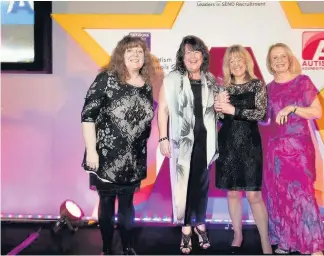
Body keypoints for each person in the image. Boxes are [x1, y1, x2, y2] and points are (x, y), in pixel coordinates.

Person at [81, 35, 155, 255]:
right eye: (130, 51)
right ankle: (106, 248)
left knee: (127, 206)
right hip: (105, 156)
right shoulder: (106, 79)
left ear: (145, 58)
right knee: (106, 202)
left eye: (139, 52)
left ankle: (128, 246)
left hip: (133, 159)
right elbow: (87, 117)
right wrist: (92, 151)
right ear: (120, 55)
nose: (135, 55)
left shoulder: (147, 86)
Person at [157, 35, 223, 254]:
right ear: (181, 56)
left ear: (203, 55)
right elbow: (163, 110)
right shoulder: (172, 79)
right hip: (181, 142)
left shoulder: (211, 79)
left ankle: (200, 224)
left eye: (197, 52)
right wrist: (163, 138)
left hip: (205, 142)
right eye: (188, 52)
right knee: (183, 186)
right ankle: (186, 229)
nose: (193, 56)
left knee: (201, 187)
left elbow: (216, 110)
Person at [264, 42, 324, 255]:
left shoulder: (303, 82)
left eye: (283, 56)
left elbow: (317, 112)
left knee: (303, 196)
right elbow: (263, 120)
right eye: (275, 57)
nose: (279, 60)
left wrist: (293, 108)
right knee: (279, 196)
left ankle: (313, 246)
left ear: (290, 58)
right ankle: (286, 242)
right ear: (270, 63)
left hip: (298, 149)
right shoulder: (268, 88)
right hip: (275, 152)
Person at [214, 45, 272, 254]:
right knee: (232, 194)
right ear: (227, 66)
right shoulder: (223, 88)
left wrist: (234, 110)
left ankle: (265, 240)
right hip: (228, 144)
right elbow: (221, 119)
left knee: (254, 195)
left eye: (239, 60)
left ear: (246, 62)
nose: (236, 64)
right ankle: (237, 234)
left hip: (249, 145)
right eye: (232, 61)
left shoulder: (257, 85)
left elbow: (261, 114)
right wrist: (218, 108)